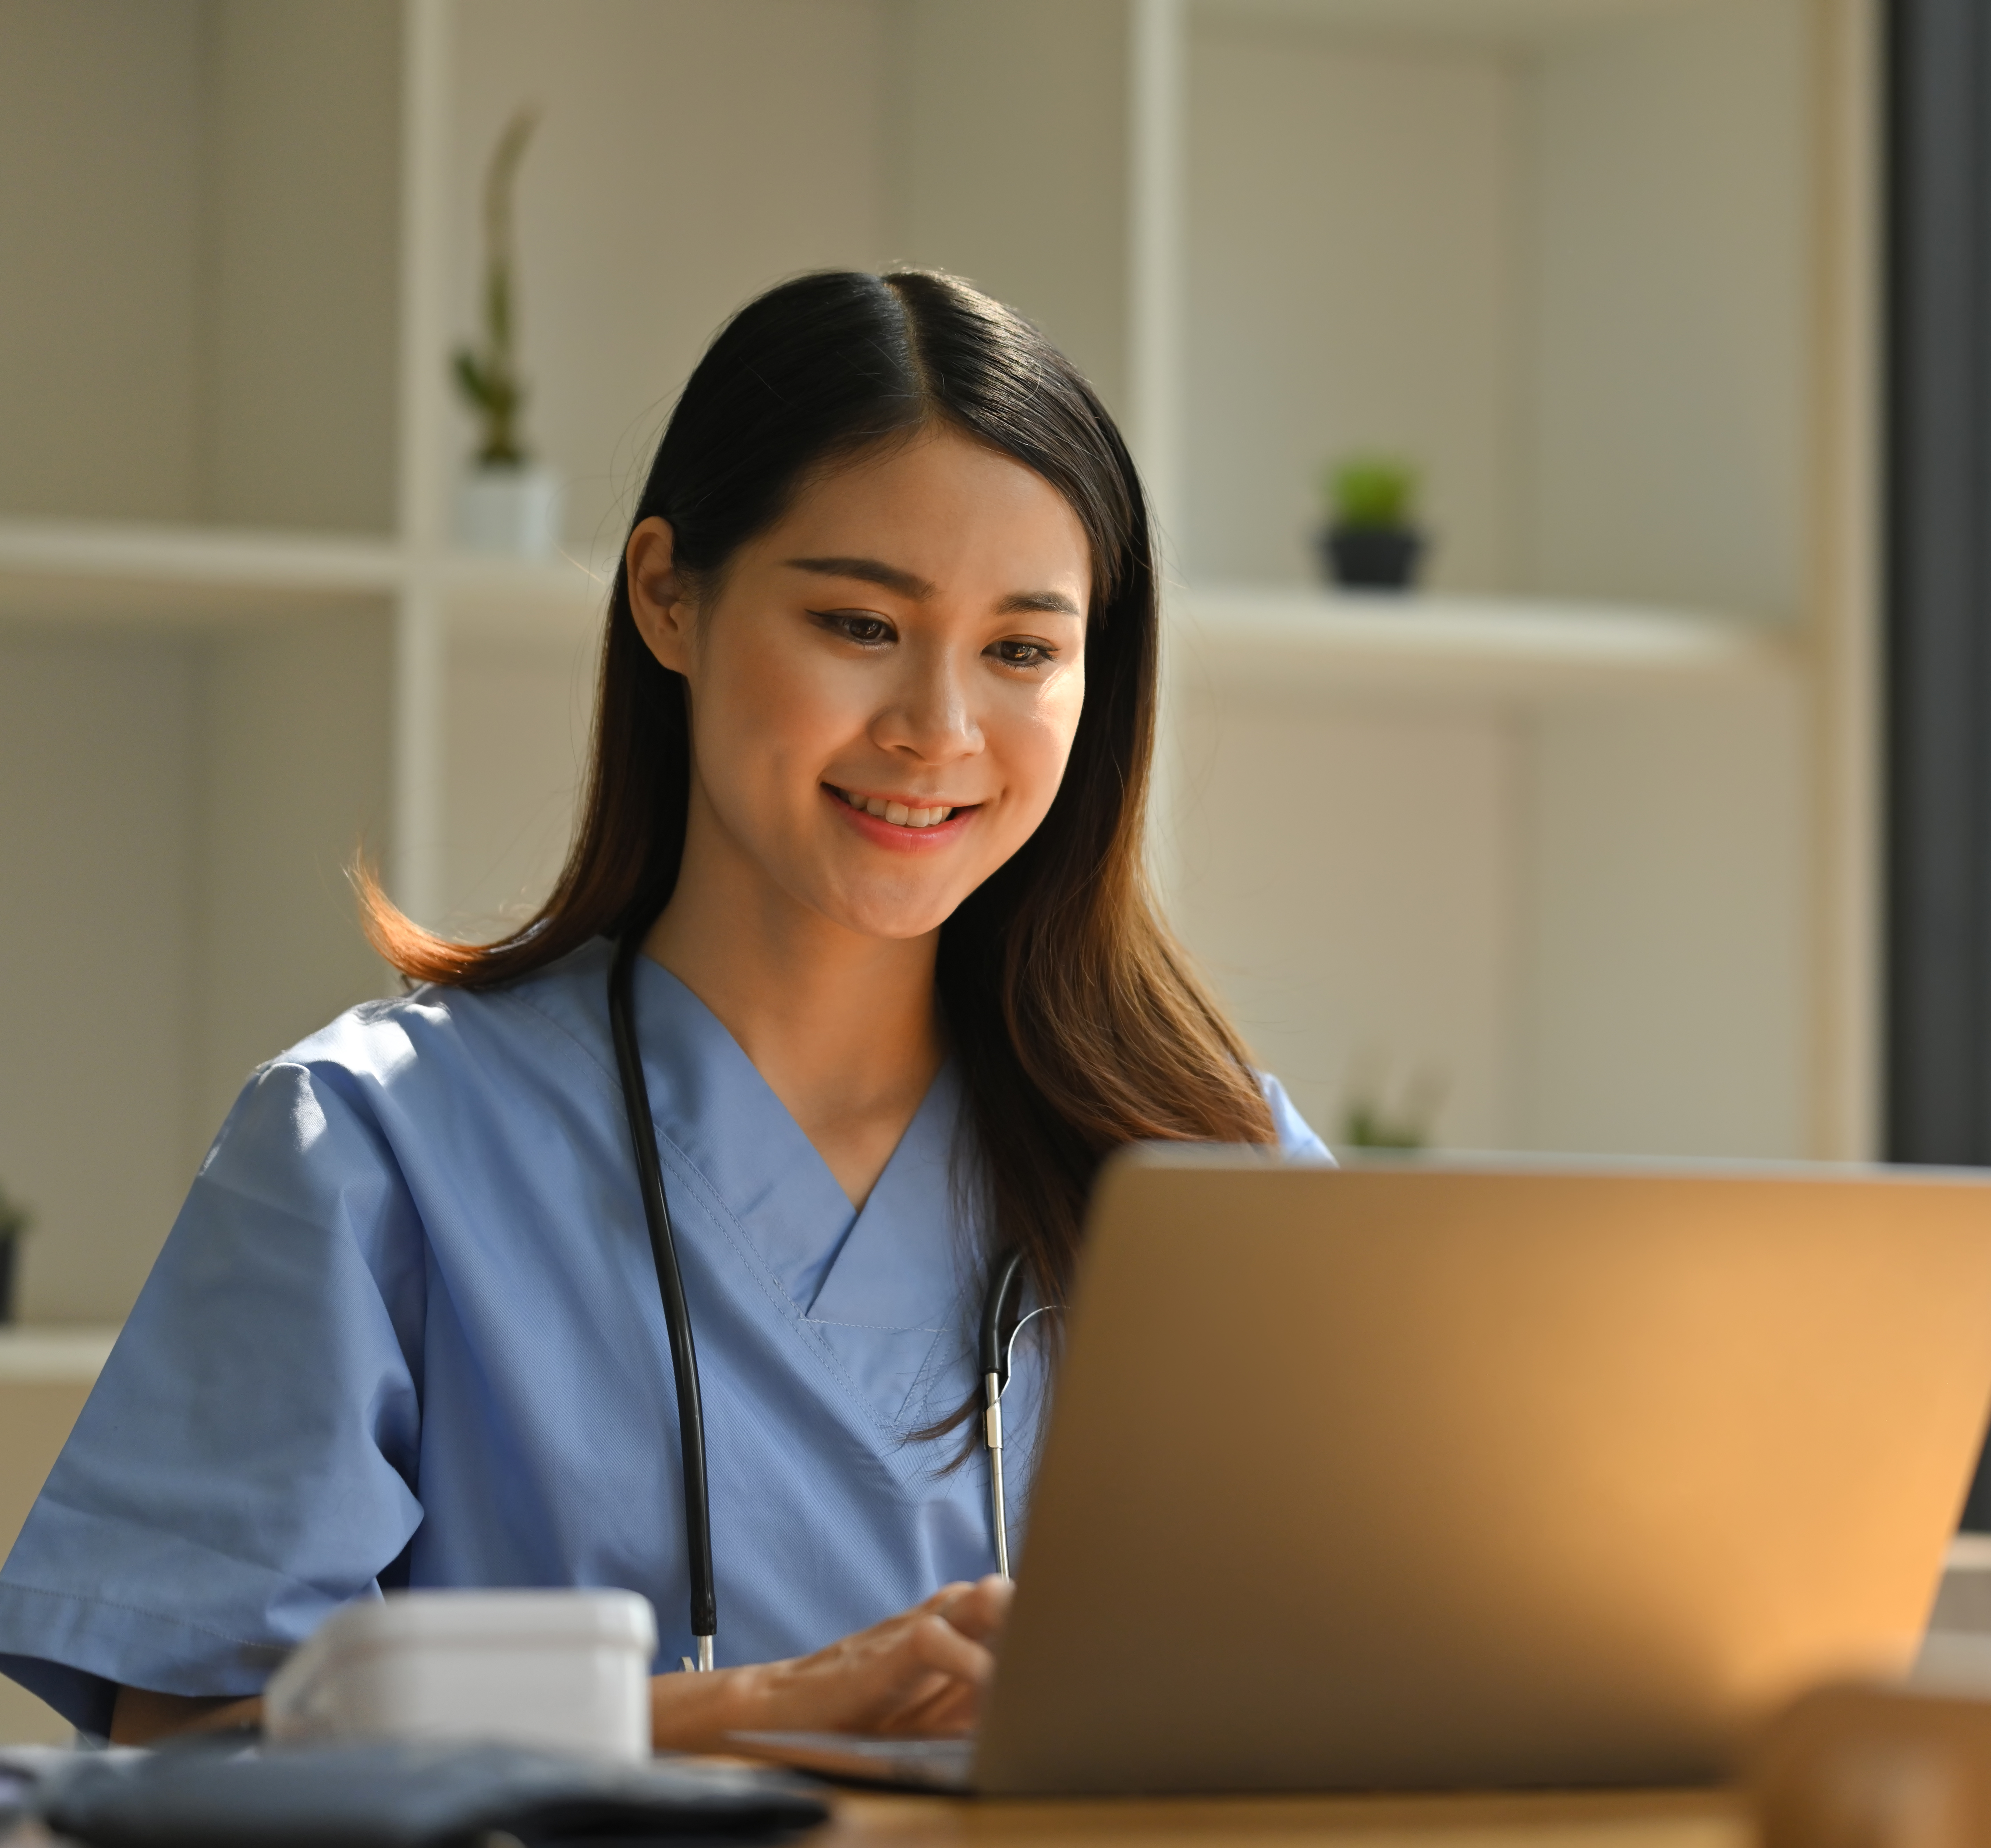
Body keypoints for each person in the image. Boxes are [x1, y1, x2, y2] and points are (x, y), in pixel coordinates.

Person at [0, 270, 1327, 1748]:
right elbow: (182, 1752)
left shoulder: (1215, 1166)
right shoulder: (372, 1145)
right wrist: (756, 1709)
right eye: (857, 622)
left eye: (1021, 648)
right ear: (666, 596)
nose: (937, 729)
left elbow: (1406, 1664)